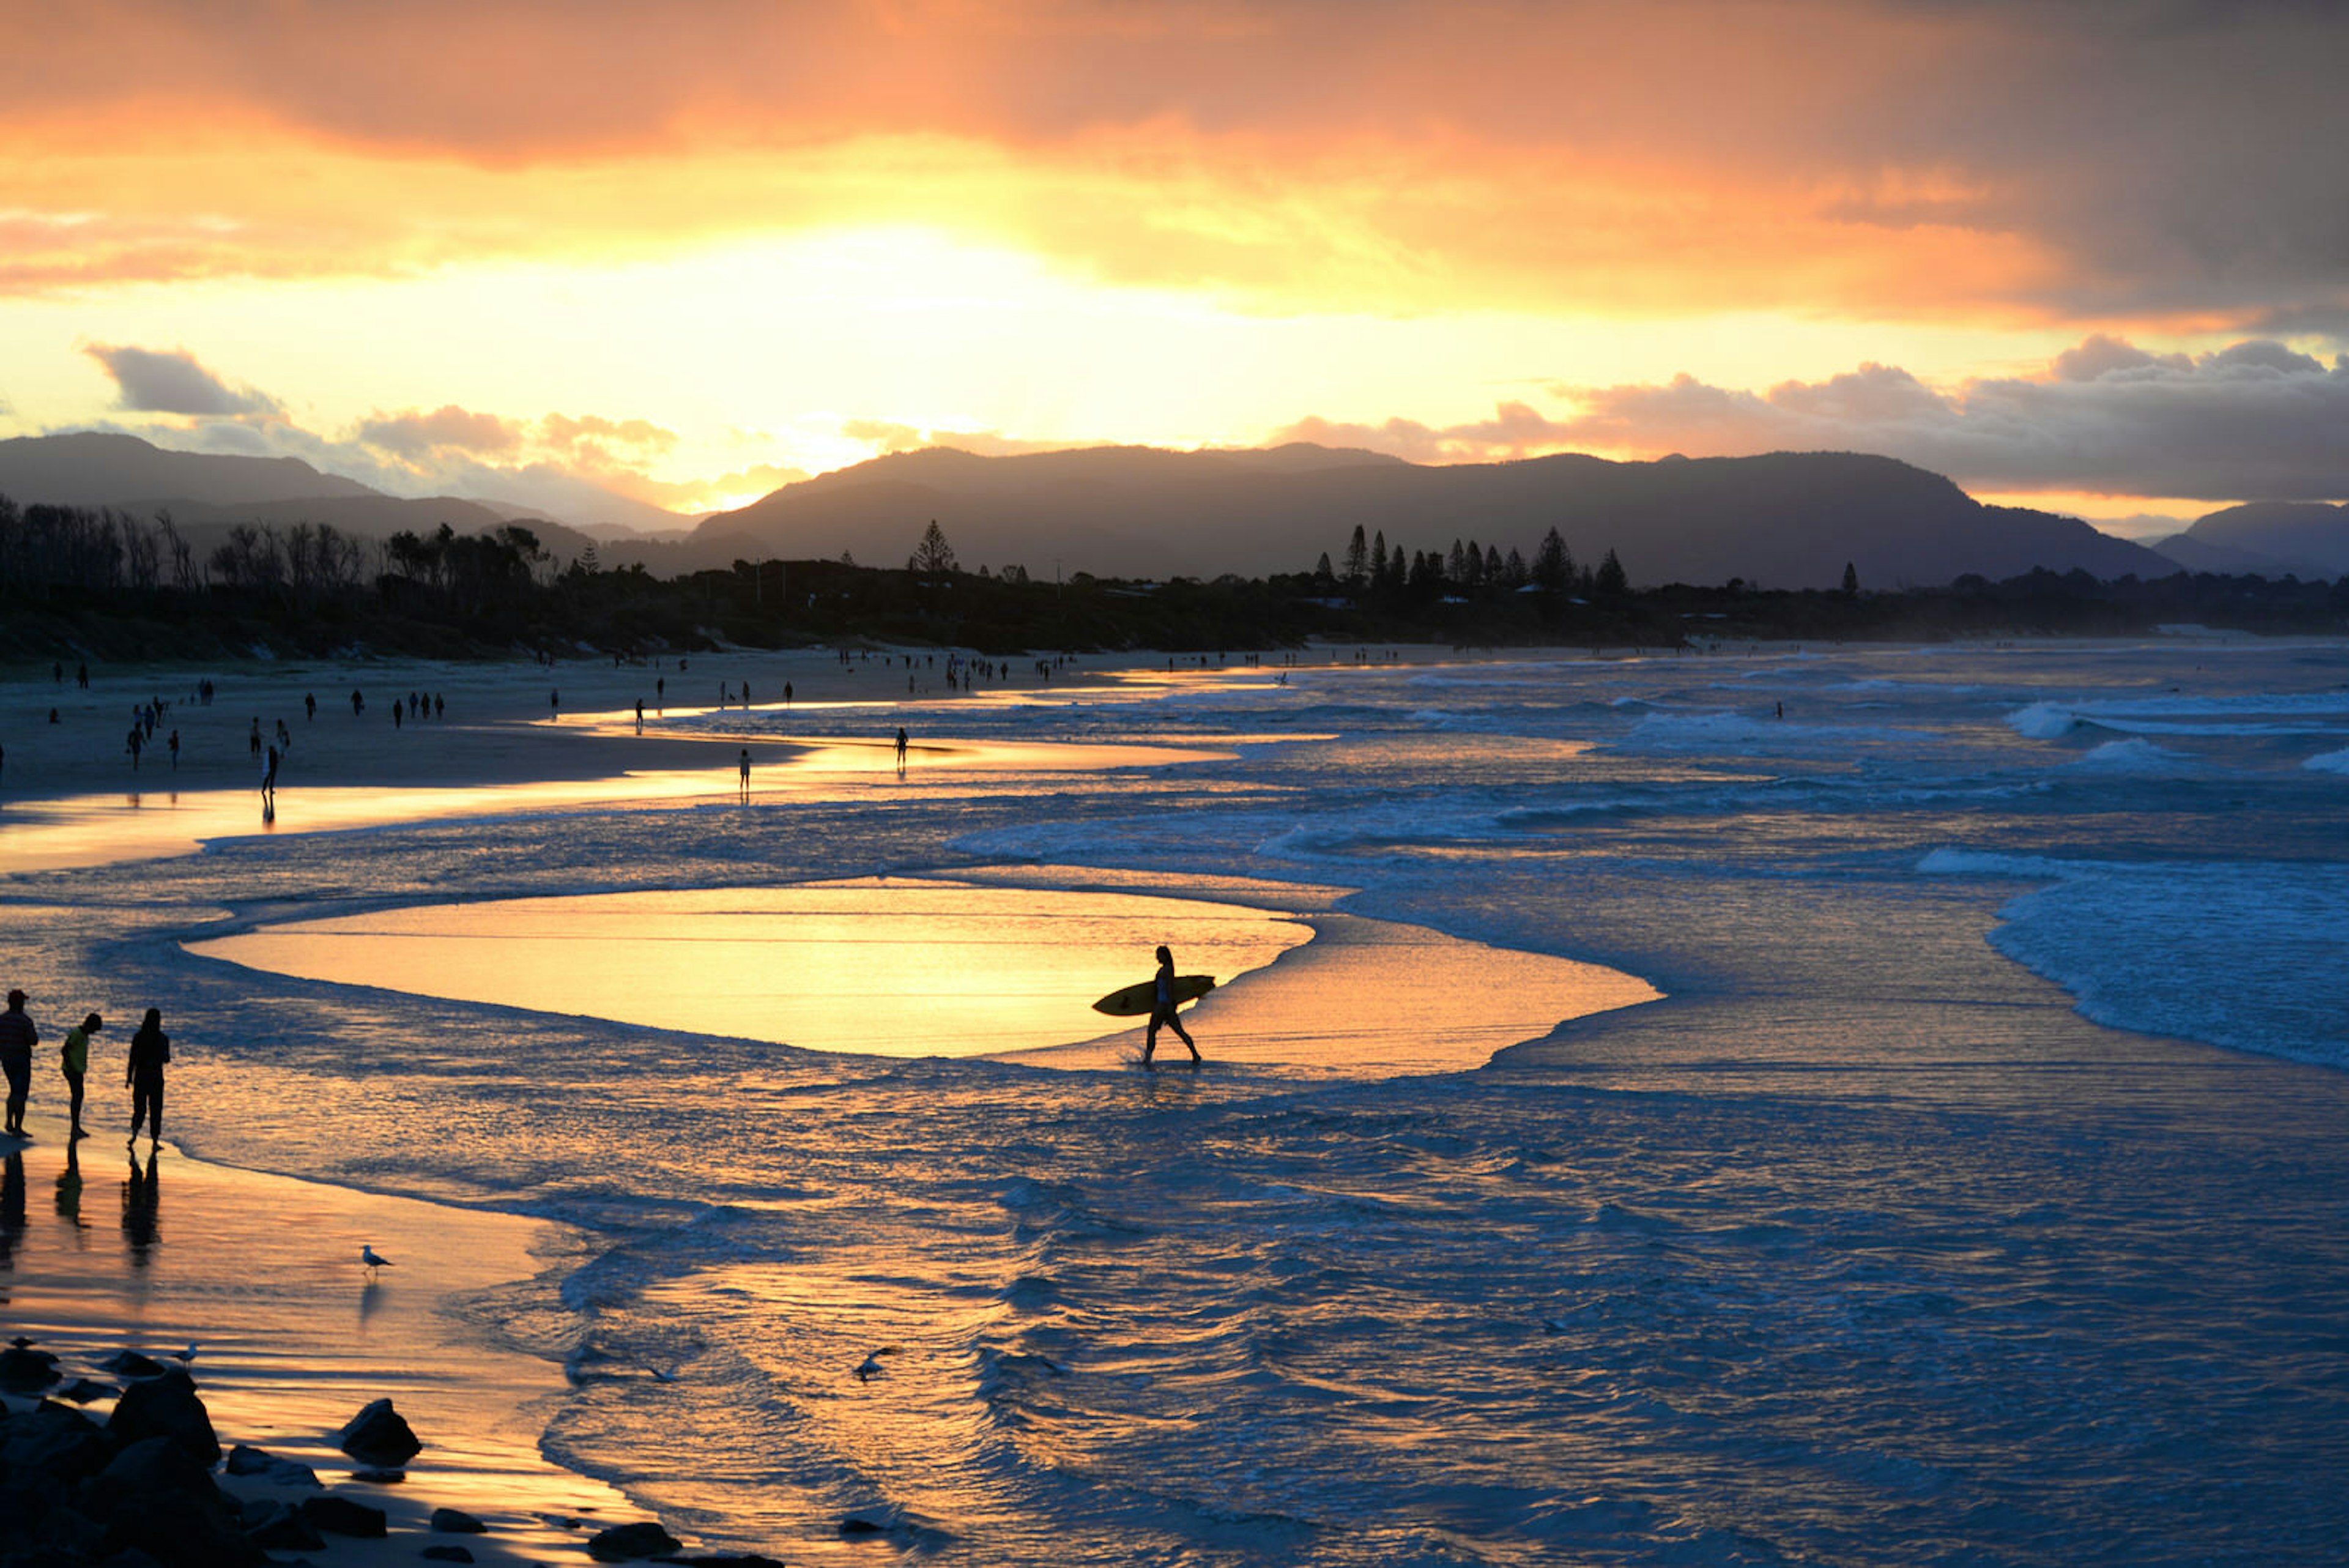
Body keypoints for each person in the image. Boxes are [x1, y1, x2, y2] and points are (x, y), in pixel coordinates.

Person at [1142, 945, 1201, 1067]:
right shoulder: (1165, 968)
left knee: (1152, 1030)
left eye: (1159, 955)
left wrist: (1169, 1005)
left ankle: (1147, 1059)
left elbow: (1169, 987)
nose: (1157, 957)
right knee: (1179, 1031)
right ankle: (1195, 1055)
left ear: (1165, 955)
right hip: (1164, 1004)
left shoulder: (1168, 969)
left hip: (1163, 1004)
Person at [127, 1008, 169, 1146]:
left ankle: (134, 1135)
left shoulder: (139, 1037)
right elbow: (167, 1059)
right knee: (156, 1110)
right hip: (156, 1077)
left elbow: (132, 1059)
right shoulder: (163, 1038)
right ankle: (155, 1141)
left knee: (140, 1108)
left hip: (141, 1076)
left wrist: (129, 1078)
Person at [0, 990, 37, 1136]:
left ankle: (9, 1122)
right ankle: (17, 1127)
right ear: (20, 1003)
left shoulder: (2, 1019)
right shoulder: (25, 1021)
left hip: (6, 1060)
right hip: (21, 1059)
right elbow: (34, 1041)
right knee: (21, 1093)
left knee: (14, 1090)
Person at [61, 1013, 99, 1140]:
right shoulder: (77, 1034)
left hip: (78, 1070)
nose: (94, 1033)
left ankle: (76, 1127)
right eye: (95, 1029)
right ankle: (75, 1128)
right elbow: (65, 1050)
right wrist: (71, 1067)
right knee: (77, 1097)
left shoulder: (84, 1035)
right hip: (72, 1070)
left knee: (78, 1097)